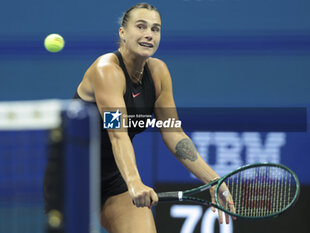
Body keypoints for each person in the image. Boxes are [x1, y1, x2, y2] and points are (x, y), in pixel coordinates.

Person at [45, 3, 235, 233]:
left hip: (113, 179)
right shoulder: (106, 70)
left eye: (155, 29)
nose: (148, 34)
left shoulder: (158, 73)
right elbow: (118, 134)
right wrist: (134, 182)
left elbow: (173, 133)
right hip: (73, 174)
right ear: (122, 33)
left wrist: (213, 180)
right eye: (141, 26)